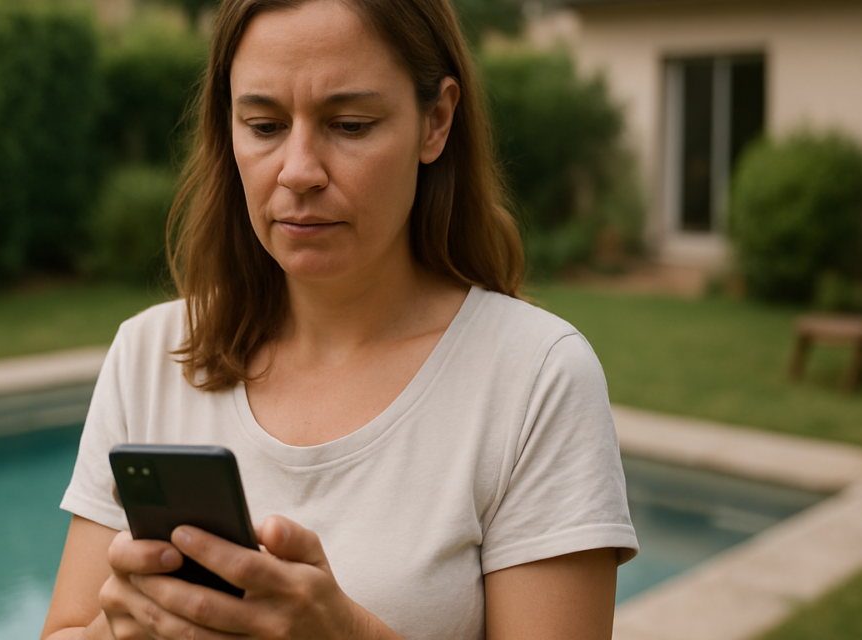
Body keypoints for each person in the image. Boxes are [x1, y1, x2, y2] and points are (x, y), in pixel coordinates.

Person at [40, 0, 637, 637]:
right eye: (264, 126)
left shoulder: (535, 379)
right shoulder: (150, 356)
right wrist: (120, 628)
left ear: (435, 122)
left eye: (350, 124)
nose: (298, 171)